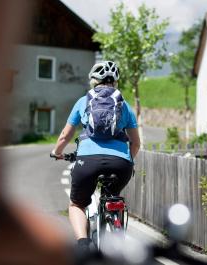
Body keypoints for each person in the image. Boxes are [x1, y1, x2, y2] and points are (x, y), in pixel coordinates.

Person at [51, 61, 140, 252]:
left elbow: (65, 136)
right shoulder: (125, 106)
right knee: (113, 196)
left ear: (94, 80)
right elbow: (136, 143)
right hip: (121, 164)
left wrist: (57, 152)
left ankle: (83, 244)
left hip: (88, 161)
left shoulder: (83, 102)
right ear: (115, 82)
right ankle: (115, 220)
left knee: (77, 204)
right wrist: (127, 161)